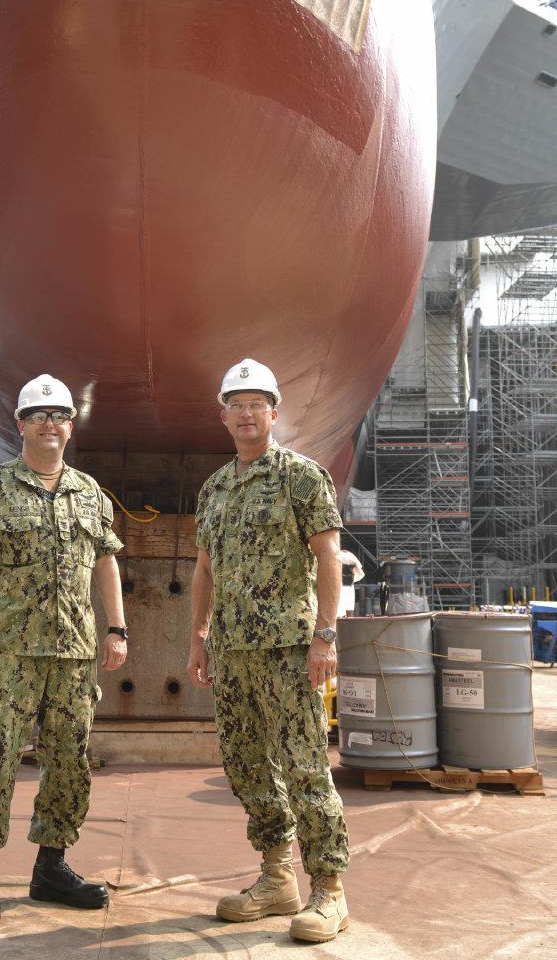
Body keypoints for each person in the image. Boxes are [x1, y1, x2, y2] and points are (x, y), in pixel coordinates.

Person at [0, 374, 129, 924]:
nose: (50, 423)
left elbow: (105, 562)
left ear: (70, 427)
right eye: (39, 415)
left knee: (70, 763)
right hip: (7, 654)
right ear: (21, 425)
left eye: (60, 415)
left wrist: (116, 629)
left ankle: (51, 866)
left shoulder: (89, 493)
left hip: (73, 654)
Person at [186, 358, 350, 944]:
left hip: (287, 649)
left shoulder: (302, 477)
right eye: (238, 403)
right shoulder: (215, 488)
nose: (248, 413)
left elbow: (328, 555)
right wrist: (199, 637)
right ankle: (278, 876)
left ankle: (329, 889)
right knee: (247, 764)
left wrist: (325, 637)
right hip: (232, 652)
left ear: (275, 412)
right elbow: (204, 567)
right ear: (223, 416)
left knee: (305, 765)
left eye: (259, 403)